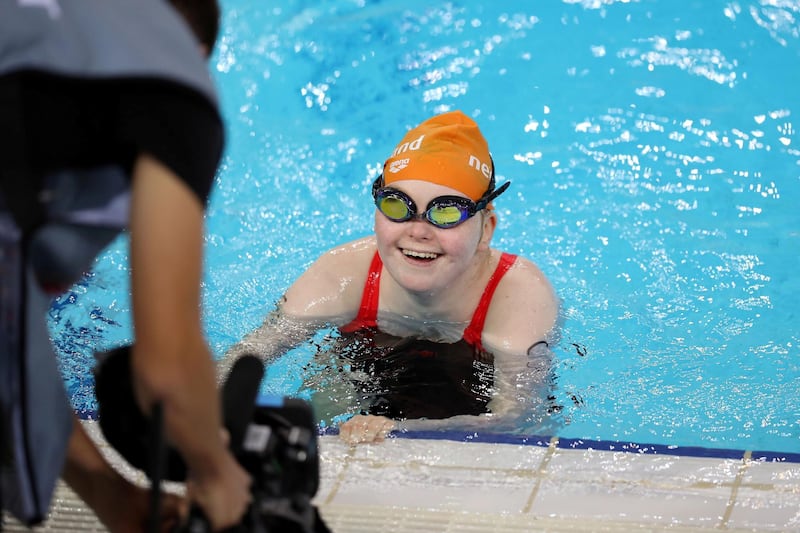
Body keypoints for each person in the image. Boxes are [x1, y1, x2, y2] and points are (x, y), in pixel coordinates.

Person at [0, 0, 251, 531]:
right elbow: (166, 367)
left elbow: (9, 349)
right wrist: (218, 472)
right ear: (199, 52)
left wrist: (112, 496)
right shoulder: (169, 77)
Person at [221, 110, 560, 445]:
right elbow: (246, 355)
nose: (418, 232)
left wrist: (399, 432)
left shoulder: (518, 295)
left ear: (486, 229)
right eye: (398, 205)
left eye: (445, 212)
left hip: (473, 397)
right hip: (364, 375)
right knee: (326, 396)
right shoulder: (343, 274)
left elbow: (516, 420)